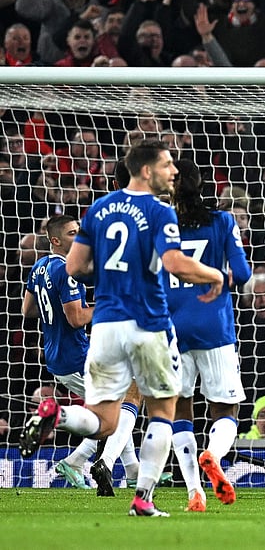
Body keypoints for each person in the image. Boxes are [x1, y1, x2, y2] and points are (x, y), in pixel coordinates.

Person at [19, 140, 225, 518]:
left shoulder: (97, 210)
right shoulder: (160, 210)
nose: (173, 172)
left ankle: (58, 414)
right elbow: (176, 263)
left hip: (107, 328)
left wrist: (114, 270)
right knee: (163, 410)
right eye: (166, 165)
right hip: (149, 322)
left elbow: (76, 267)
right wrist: (213, 274)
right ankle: (142, 497)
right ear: (146, 171)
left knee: (103, 420)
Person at [166, 159, 253, 512]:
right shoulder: (222, 221)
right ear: (204, 185)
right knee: (225, 408)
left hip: (171, 327)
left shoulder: (161, 224)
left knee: (178, 410)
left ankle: (194, 492)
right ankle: (213, 454)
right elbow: (244, 273)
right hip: (214, 325)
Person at [21, 215, 103, 489]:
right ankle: (75, 459)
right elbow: (77, 318)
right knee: (117, 410)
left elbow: (27, 310)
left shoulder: (40, 265)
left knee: (115, 409)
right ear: (56, 240)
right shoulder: (66, 270)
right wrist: (109, 306)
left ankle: (131, 469)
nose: (78, 237)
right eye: (71, 233)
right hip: (75, 356)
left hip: (55, 354)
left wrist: (52, 310)